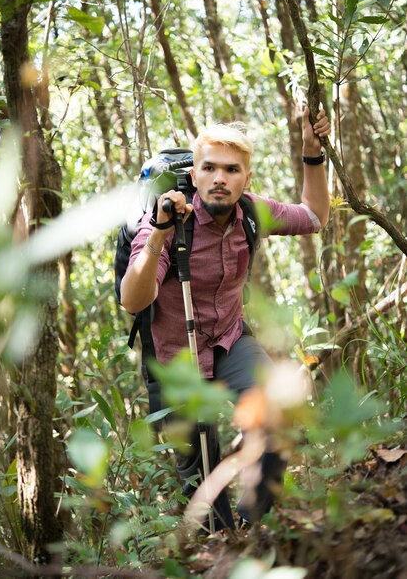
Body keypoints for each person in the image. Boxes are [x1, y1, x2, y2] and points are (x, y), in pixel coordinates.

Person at [120, 107, 331, 530]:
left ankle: (252, 529)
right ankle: (220, 542)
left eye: (232, 170)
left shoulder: (252, 212)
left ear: (245, 179)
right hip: (176, 363)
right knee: (200, 483)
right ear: (194, 175)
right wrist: (159, 235)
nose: (220, 178)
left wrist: (312, 154)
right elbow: (132, 299)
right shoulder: (164, 226)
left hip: (230, 341)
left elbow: (314, 217)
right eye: (210, 168)